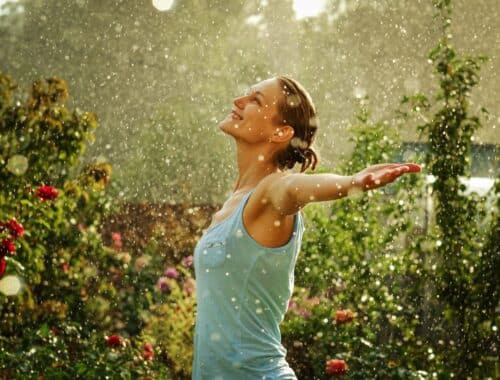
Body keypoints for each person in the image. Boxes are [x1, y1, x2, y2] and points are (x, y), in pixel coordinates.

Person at [191, 75, 421, 380]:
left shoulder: (272, 191)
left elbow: (296, 188)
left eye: (255, 100)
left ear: (281, 131)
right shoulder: (236, 202)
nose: (238, 102)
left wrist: (351, 182)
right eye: (246, 95)